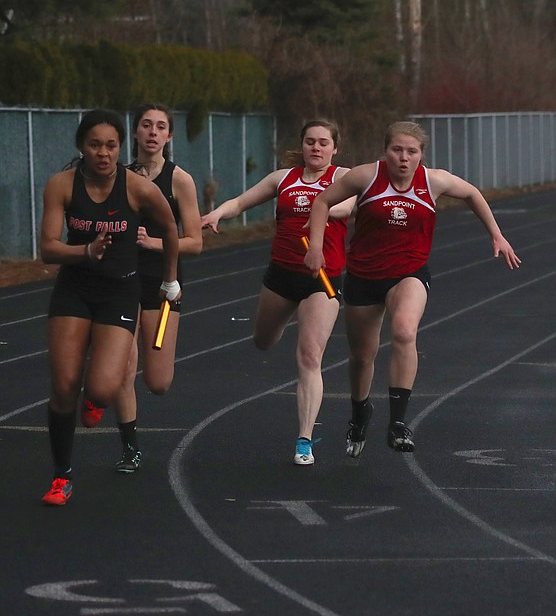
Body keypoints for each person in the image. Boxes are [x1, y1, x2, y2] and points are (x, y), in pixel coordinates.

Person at [304, 120, 521, 458]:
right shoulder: (366, 176)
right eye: (397, 150)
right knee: (362, 357)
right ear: (385, 151)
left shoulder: (433, 181)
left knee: (405, 331)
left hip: (409, 272)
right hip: (364, 275)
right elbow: (321, 202)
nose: (403, 158)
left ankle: (398, 423)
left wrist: (496, 234)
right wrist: (315, 247)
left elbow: (471, 193)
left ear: (421, 155)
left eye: (411, 152)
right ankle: (360, 413)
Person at [39, 108, 181, 505]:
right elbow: (47, 248)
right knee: (64, 385)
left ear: (121, 148)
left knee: (101, 390)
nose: (103, 153)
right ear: (81, 147)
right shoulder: (62, 185)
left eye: (111, 146)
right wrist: (85, 251)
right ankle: (61, 476)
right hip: (74, 289)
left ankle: (94, 399)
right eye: (95, 145)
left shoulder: (136, 187)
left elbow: (171, 229)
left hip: (120, 292)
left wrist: (170, 280)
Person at [201, 120, 355, 465]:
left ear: (335, 148)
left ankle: (304, 440)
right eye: (310, 141)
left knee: (310, 357)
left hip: (322, 279)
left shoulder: (344, 178)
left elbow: (346, 207)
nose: (316, 148)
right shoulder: (283, 178)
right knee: (264, 340)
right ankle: (284, 317)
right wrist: (217, 213)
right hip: (282, 276)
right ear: (302, 145)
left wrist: (324, 208)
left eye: (323, 142)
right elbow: (240, 202)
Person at [80, 104, 202, 473]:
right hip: (122, 282)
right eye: (146, 125)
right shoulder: (119, 176)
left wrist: (155, 244)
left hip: (164, 285)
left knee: (158, 381)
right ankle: (130, 447)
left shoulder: (180, 180)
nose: (152, 132)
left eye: (160, 126)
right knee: (123, 367)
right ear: (134, 132)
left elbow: (195, 242)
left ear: (169, 136)